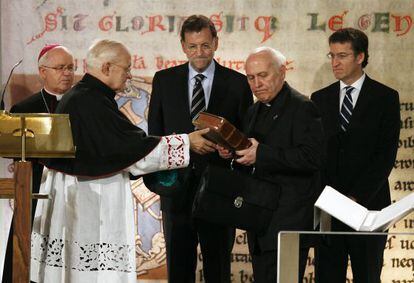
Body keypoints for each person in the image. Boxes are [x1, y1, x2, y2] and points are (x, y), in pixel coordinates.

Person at [29, 39, 209, 283]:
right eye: (126, 68)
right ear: (106, 68)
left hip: (80, 199)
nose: (129, 75)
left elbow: (126, 145)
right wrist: (187, 142)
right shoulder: (91, 102)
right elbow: (133, 151)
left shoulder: (85, 96)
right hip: (90, 204)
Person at [147, 15, 253, 283]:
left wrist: (231, 151)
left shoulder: (237, 83)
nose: (199, 53)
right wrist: (185, 142)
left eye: (205, 45)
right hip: (176, 190)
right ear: (183, 46)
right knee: (179, 270)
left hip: (219, 190)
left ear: (216, 42)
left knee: (218, 270)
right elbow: (155, 136)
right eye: (192, 46)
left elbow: (245, 137)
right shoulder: (164, 80)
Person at [219, 47, 323, 282]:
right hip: (259, 219)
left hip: (288, 221)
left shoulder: (303, 107)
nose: (257, 83)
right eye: (251, 77)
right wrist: (233, 154)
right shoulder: (253, 110)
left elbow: (312, 158)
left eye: (263, 75)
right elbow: (252, 155)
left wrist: (262, 155)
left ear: (282, 72)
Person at [311, 28, 400, 283]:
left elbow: (385, 156)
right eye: (331, 56)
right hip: (329, 208)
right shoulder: (320, 98)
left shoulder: (385, 98)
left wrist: (355, 197)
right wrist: (329, 199)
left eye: (342, 56)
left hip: (369, 208)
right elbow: (316, 153)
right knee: (328, 275)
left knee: (368, 275)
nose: (334, 63)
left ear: (360, 57)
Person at [2, 44, 75, 283]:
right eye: (60, 68)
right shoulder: (24, 109)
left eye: (70, 68)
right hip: (33, 189)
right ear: (42, 71)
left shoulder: (82, 106)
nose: (67, 73)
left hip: (73, 191)